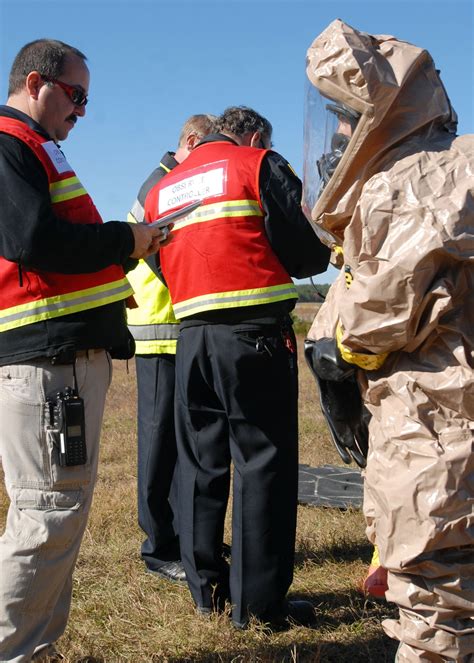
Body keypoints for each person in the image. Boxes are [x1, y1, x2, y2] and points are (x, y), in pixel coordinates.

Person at [302, 20, 473, 662]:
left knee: (436, 609)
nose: (339, 135)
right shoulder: (445, 169)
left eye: (345, 117)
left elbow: (377, 311)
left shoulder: (418, 181)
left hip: (437, 426)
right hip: (432, 422)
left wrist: (336, 358)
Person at [0, 39, 164, 662]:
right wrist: (128, 238)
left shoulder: (33, 147)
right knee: (47, 513)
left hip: (52, 360)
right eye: (77, 96)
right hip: (49, 363)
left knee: (47, 511)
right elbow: (32, 240)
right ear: (37, 83)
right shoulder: (12, 142)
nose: (83, 112)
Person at [143, 106, 331, 629]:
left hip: (191, 337)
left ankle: (207, 592)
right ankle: (259, 606)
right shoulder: (256, 164)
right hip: (254, 337)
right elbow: (307, 250)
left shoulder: (162, 190)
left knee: (201, 464)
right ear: (252, 135)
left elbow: (156, 259)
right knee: (262, 465)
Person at [126, 114, 216, 583]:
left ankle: (187, 539)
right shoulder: (157, 189)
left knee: (185, 444)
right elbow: (163, 261)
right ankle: (159, 548)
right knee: (158, 448)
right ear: (191, 141)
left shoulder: (172, 184)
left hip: (177, 333)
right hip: (158, 333)